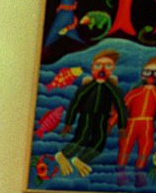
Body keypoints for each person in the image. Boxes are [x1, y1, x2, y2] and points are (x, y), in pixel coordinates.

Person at [54, 49, 128, 178]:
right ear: (92, 67)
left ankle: (80, 160)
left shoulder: (113, 89)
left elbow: (120, 106)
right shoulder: (86, 87)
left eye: (108, 66)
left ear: (113, 69)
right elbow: (74, 105)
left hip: (102, 118)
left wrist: (122, 125)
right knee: (81, 138)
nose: (102, 69)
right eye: (98, 65)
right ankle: (62, 155)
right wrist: (69, 123)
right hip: (86, 116)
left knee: (99, 142)